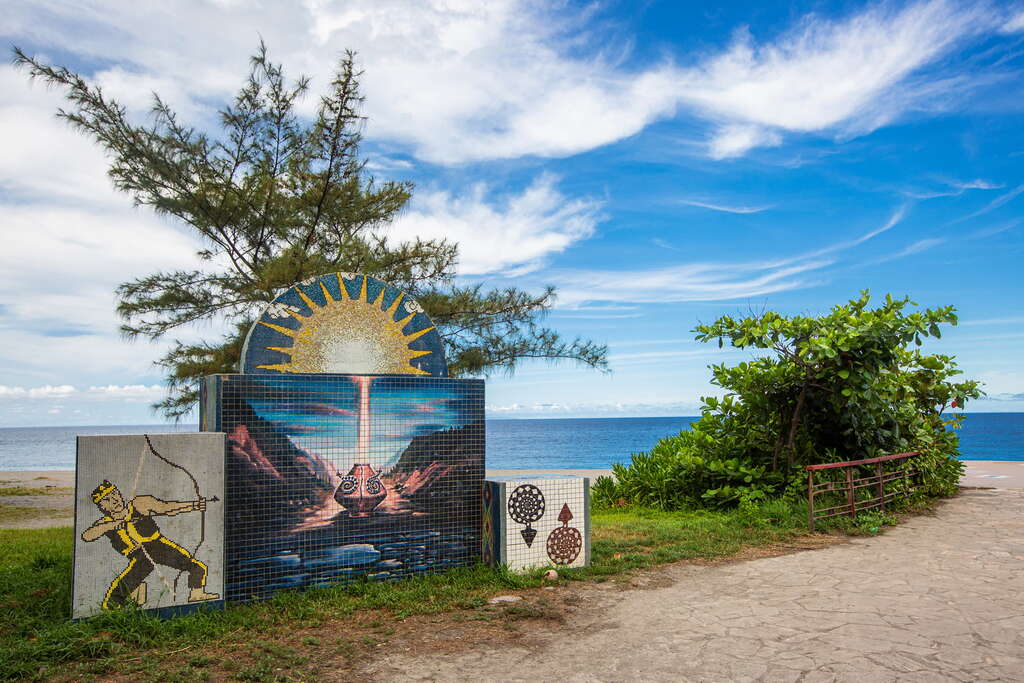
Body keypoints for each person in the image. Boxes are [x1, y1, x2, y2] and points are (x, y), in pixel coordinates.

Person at [81, 480, 219, 609]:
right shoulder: (104, 523)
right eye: (106, 499)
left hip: (157, 547)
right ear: (102, 506)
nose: (114, 500)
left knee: (197, 567)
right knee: (124, 587)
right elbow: (87, 536)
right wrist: (114, 524)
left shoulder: (138, 503)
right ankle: (115, 608)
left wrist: (194, 505)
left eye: (114, 493)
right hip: (139, 556)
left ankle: (196, 595)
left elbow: (166, 508)